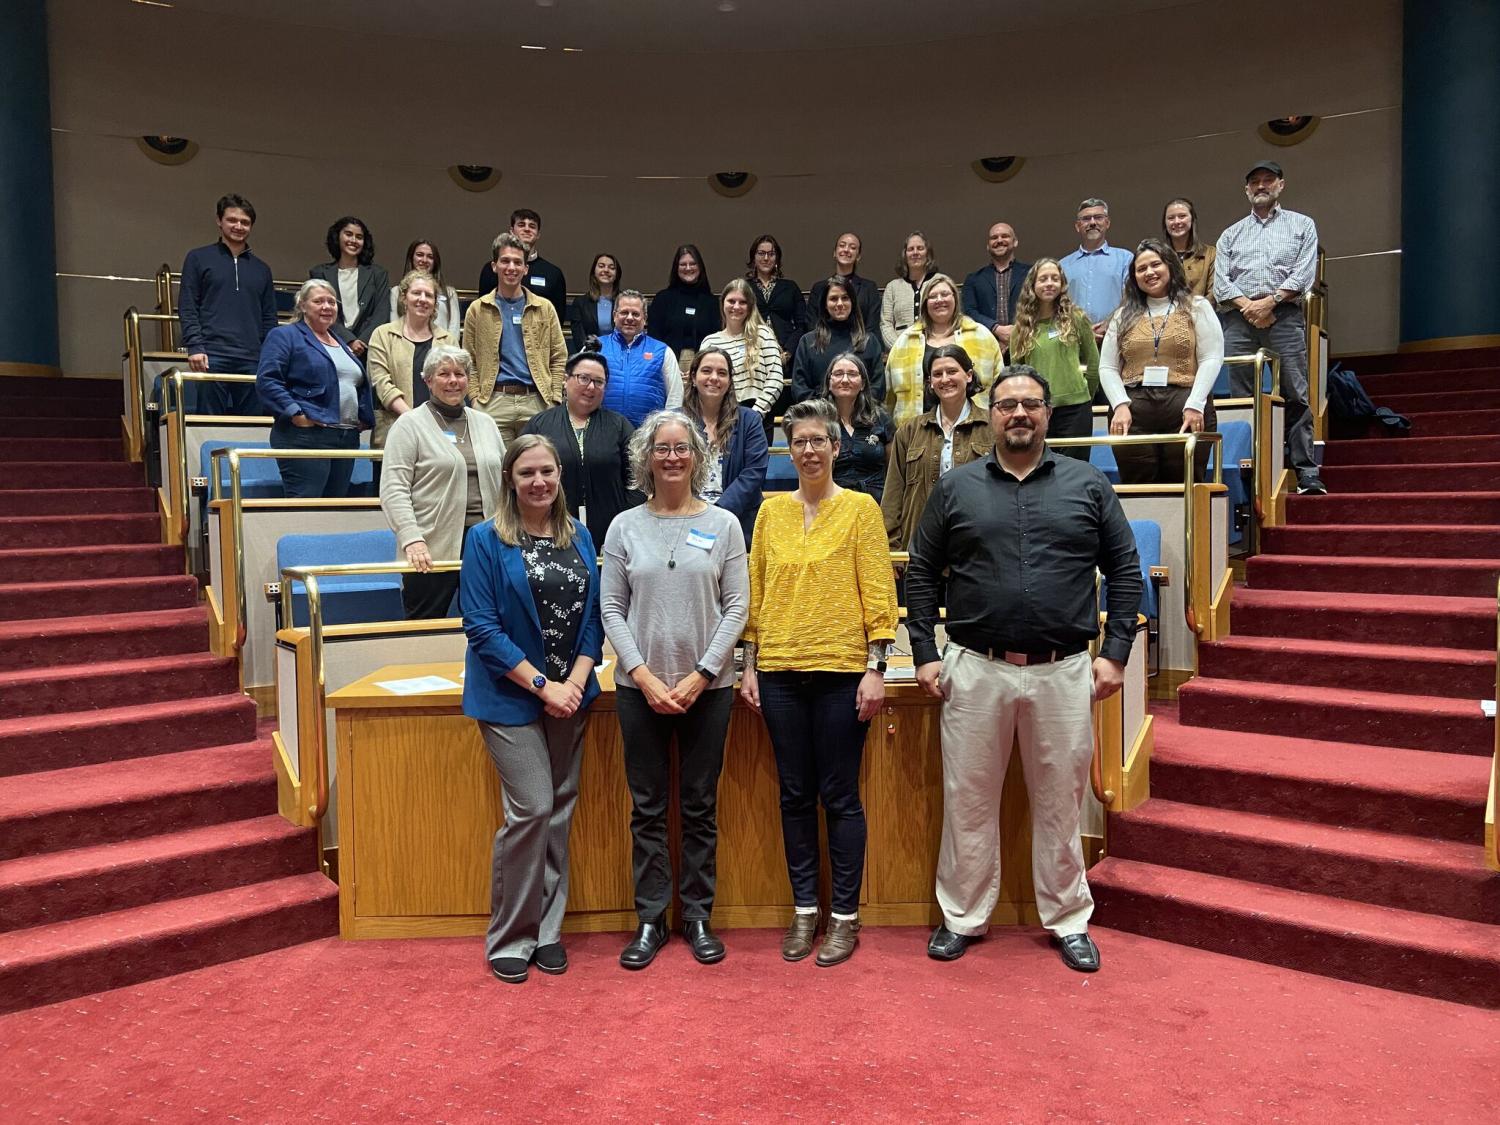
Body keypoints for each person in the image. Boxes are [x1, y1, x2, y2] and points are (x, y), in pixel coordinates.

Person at [907, 366, 1141, 974]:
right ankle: (961, 916)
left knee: (1061, 803)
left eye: (1030, 405)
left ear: (1047, 413)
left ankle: (1067, 920)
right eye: (1007, 404)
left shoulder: (1087, 485)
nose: (1019, 414)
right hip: (974, 669)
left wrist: (1115, 652)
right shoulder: (957, 488)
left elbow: (1125, 571)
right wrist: (925, 654)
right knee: (968, 800)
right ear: (992, 412)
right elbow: (921, 574)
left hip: (1062, 671)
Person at [740, 398, 898, 968]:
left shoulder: (860, 510)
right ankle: (805, 909)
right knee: (793, 794)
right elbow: (753, 594)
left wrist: (876, 669)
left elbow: (880, 593)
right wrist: (749, 666)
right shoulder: (768, 513)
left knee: (840, 795)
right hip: (779, 670)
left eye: (818, 441)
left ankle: (845, 918)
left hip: (840, 671)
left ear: (836, 447)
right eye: (799, 441)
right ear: (790, 448)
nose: (809, 450)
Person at [601, 412, 750, 970]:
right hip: (638, 690)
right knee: (646, 809)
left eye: (680, 448)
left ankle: (697, 916)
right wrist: (641, 673)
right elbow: (611, 608)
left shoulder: (725, 525)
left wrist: (701, 674)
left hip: (707, 692)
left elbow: (737, 606)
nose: (671, 457)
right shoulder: (622, 527)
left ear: (696, 457)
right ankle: (649, 919)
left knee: (699, 806)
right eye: (661, 449)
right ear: (646, 458)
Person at [460, 434, 604, 985]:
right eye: (527, 474)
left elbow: (594, 617)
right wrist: (546, 685)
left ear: (560, 477)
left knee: (561, 809)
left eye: (547, 471)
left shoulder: (581, 535)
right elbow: (482, 628)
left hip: (573, 694)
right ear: (510, 481)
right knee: (534, 808)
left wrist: (577, 680)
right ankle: (512, 934)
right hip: (511, 697)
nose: (539, 481)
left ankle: (547, 931)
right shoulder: (485, 539)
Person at [1214, 160, 1326, 495]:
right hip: (1238, 319)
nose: (1261, 186)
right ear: (1246, 189)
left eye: (1268, 180)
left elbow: (1305, 274)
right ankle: (1250, 473)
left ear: (1280, 185)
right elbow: (1221, 283)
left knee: (1295, 392)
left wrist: (1270, 302)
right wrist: (1249, 306)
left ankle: (1305, 470)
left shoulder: (1301, 225)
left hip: (1285, 316)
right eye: (1254, 182)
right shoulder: (1230, 233)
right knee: (1241, 399)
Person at [380, 345, 506, 618]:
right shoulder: (408, 425)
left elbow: (507, 481)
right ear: (428, 380)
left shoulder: (486, 423)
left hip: (487, 541)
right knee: (425, 626)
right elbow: (394, 489)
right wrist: (412, 539)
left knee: (490, 621)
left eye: (460, 374)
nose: (453, 381)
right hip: (430, 546)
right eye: (444, 374)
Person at [1100, 238, 1224, 484]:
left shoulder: (1196, 306)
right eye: (1141, 268)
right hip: (1132, 412)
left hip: (1186, 406)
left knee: (1185, 485)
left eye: (1155, 265)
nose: (1149, 272)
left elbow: (1211, 357)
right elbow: (1108, 367)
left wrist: (1195, 403)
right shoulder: (1121, 315)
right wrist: (1120, 405)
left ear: (1170, 266)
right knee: (1138, 487)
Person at [255, 279, 373, 498]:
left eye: (331, 302)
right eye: (319, 301)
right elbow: (268, 381)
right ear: (302, 306)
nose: (327, 307)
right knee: (306, 510)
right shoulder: (285, 336)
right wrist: (296, 414)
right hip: (305, 435)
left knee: (335, 512)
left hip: (345, 436)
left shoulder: (340, 343)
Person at [522, 343, 640, 546]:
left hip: (611, 531)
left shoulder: (619, 425)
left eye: (599, 382)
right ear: (566, 381)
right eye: (583, 378)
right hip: (550, 529)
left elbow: (639, 478)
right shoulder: (540, 424)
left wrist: (625, 520)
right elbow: (522, 474)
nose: (591, 387)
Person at [882, 344, 994, 551]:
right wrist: (892, 547)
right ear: (930, 382)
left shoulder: (992, 427)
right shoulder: (909, 431)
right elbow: (893, 493)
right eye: (937, 374)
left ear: (968, 375)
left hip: (978, 548)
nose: (945, 379)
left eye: (952, 371)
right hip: (920, 547)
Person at [463, 233, 569, 444]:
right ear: (494, 266)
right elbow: (469, 360)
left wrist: (554, 399)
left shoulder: (544, 308)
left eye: (517, 262)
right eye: (505, 261)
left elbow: (559, 356)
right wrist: (475, 400)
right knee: (495, 471)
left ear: (525, 268)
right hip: (493, 401)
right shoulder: (478, 309)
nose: (511, 267)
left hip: (536, 401)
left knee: (535, 469)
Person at [177, 193, 276, 414]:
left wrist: (270, 355)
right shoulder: (198, 258)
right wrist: (195, 345)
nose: (238, 226)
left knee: (252, 424)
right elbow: (188, 305)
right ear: (219, 221)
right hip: (212, 354)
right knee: (210, 422)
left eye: (245, 222)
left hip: (253, 357)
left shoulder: (262, 269)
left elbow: (269, 317)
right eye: (232, 220)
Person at [1008, 259, 1100, 456]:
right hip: (1036, 410)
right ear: (1032, 286)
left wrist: (1083, 396)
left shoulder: (1076, 318)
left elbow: (1093, 364)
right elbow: (1016, 375)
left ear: (1062, 284)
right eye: (1043, 279)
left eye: (1055, 279)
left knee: (1074, 473)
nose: (1049, 283)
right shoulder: (1021, 328)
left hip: (1076, 410)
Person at [884, 274, 1001, 426]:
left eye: (945, 294)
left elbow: (1000, 387)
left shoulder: (983, 336)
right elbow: (890, 397)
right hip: (915, 435)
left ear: (955, 298)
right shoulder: (904, 341)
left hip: (975, 431)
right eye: (933, 296)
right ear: (925, 303)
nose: (939, 300)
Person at [679, 347, 767, 547]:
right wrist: (696, 513)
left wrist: (718, 512)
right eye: (706, 371)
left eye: (722, 373)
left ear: (729, 381)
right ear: (693, 377)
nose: (714, 378)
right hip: (686, 519)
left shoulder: (750, 420)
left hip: (738, 521)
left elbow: (754, 472)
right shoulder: (676, 421)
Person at [367, 270, 456, 470]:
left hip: (439, 435)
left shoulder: (448, 340)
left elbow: (455, 385)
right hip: (394, 432)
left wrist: (430, 425)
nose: (422, 299)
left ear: (435, 303)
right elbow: (381, 384)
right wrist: (417, 420)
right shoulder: (382, 335)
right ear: (404, 297)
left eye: (429, 295)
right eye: (417, 293)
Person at [789, 275, 885, 405]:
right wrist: (826, 411)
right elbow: (799, 389)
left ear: (853, 302)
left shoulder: (869, 342)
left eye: (845, 298)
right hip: (820, 419)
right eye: (833, 299)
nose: (840, 304)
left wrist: (852, 410)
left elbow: (878, 388)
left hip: (862, 419)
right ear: (825, 305)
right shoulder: (808, 342)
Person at [596, 290, 683, 426]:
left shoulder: (662, 351)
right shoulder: (597, 347)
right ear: (614, 316)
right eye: (624, 312)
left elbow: (675, 396)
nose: (630, 318)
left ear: (645, 318)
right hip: (603, 430)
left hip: (648, 435)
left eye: (635, 314)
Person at [698, 279, 784, 416]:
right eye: (731, 301)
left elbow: (776, 378)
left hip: (758, 413)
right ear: (722, 304)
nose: (736, 307)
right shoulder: (710, 342)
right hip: (722, 414)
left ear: (750, 307)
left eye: (742, 302)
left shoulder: (763, 334)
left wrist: (756, 413)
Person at [309, 216, 389, 358]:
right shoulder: (320, 273)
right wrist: (349, 340)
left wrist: (362, 341)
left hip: (368, 349)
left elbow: (381, 314)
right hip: (329, 344)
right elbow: (319, 312)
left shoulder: (378, 274)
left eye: (359, 237)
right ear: (337, 237)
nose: (353, 240)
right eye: (348, 234)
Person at [822, 353, 894, 502]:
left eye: (852, 374)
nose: (845, 380)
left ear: (863, 384)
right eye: (838, 374)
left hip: (876, 504)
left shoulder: (880, 418)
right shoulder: (818, 420)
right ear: (829, 383)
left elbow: (894, 472)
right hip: (831, 505)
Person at [1059, 199, 1133, 336]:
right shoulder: (1063, 265)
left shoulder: (1125, 259)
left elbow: (1131, 299)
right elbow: (1058, 306)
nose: (1092, 222)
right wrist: (1083, 332)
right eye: (1086, 219)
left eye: (1098, 217)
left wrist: (1108, 325)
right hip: (1075, 341)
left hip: (1115, 337)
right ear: (1077, 226)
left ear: (1107, 223)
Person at [477, 209, 566, 321]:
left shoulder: (553, 273)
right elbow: (483, 310)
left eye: (532, 226)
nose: (527, 229)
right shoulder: (492, 269)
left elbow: (557, 320)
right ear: (512, 231)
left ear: (538, 234)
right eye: (521, 224)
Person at [647, 244, 720, 367]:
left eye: (692, 263)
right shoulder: (662, 299)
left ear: (700, 267)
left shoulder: (711, 302)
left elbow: (717, 339)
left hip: (704, 365)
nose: (688, 268)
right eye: (683, 264)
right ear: (676, 268)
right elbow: (654, 339)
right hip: (667, 364)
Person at [961, 222, 1031, 349]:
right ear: (988, 246)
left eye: (1005, 236)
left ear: (1015, 242)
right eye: (994, 237)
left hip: (1026, 343)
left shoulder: (1031, 273)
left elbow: (1037, 306)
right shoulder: (973, 279)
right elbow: (970, 312)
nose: (999, 240)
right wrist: (996, 329)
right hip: (987, 346)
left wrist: (1014, 334)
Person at [807, 232, 882, 345]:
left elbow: (872, 327)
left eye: (852, 247)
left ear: (858, 256)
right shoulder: (819, 288)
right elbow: (812, 324)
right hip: (824, 348)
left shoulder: (869, 288)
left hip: (860, 350)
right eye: (842, 245)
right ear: (834, 252)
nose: (846, 250)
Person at [746, 234, 808, 363]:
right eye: (761, 253)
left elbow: (802, 325)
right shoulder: (744, 287)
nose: (766, 258)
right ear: (753, 257)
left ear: (777, 258)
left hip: (786, 353)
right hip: (750, 352)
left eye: (771, 254)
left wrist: (788, 352)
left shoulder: (791, 287)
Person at [388, 240, 462, 336]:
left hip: (442, 348)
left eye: (430, 257)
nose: (424, 260)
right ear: (411, 258)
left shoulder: (449, 293)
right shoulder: (396, 292)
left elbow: (454, 329)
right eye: (419, 255)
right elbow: (394, 326)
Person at [879, 231, 936, 351]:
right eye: (911, 249)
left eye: (920, 248)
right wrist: (899, 348)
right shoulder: (892, 287)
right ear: (905, 255)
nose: (915, 252)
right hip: (900, 353)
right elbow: (886, 324)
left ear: (928, 253)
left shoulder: (940, 282)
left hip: (934, 352)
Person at [1162, 199, 1216, 299]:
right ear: (1165, 223)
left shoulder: (1210, 253)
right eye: (1171, 218)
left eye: (1182, 216)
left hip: (1202, 312)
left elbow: (1213, 293)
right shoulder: (1158, 256)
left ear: (1192, 219)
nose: (1177, 221)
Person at [568, 253, 621, 351]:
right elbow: (580, 340)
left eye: (611, 267)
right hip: (591, 357)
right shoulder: (580, 303)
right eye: (601, 266)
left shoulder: (625, 301)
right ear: (594, 272)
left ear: (617, 274)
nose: (606, 270)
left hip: (621, 356)